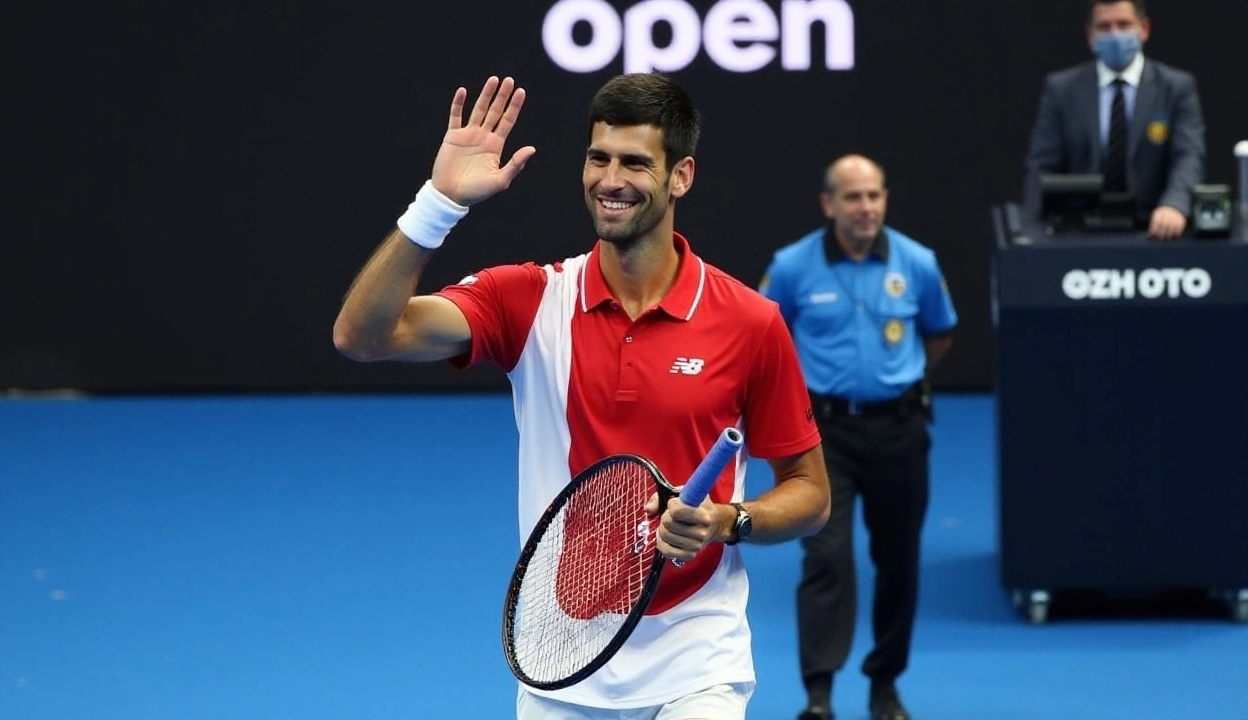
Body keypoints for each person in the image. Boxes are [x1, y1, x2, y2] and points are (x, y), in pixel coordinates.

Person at [332, 73, 831, 720]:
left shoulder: (750, 322)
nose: (610, 180)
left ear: (681, 176)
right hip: (559, 660)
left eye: (635, 163)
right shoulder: (527, 300)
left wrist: (727, 522)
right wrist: (439, 204)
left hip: (696, 660)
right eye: (598, 158)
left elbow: (811, 493)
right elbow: (363, 336)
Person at [759, 155, 956, 720]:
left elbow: (938, 337)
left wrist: (893, 385)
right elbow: (765, 339)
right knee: (825, 556)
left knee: (899, 561)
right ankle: (818, 693)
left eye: (873, 196)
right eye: (852, 198)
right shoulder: (792, 267)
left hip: (900, 430)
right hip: (823, 436)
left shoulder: (918, 262)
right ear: (829, 205)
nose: (865, 208)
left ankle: (884, 684)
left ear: (885, 200)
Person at [1022, 0, 1205, 240]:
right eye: (1104, 27)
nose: (1115, 34)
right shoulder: (1062, 90)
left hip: (1153, 230)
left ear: (1144, 29)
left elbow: (1189, 156)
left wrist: (1174, 204)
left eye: (1124, 25)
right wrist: (1031, 231)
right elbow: (1041, 165)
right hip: (1080, 232)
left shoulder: (1175, 88)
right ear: (1090, 35)